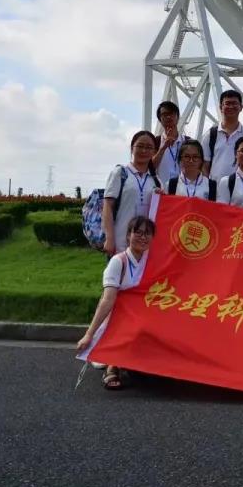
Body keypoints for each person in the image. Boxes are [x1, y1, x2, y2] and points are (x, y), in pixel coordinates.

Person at [76, 216, 156, 390]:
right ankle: (113, 365)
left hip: (142, 317)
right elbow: (107, 299)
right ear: (128, 235)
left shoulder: (151, 262)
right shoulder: (118, 262)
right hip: (119, 318)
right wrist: (89, 333)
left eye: (147, 234)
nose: (143, 237)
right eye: (138, 232)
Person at [102, 131, 160, 255]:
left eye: (149, 147)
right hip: (121, 241)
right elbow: (108, 206)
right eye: (140, 146)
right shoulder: (121, 173)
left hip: (146, 244)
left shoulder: (155, 180)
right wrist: (110, 238)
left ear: (154, 151)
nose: (144, 150)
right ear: (132, 148)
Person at [202, 89, 243, 183]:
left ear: (241, 107)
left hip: (241, 190)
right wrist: (207, 185)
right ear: (221, 107)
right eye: (227, 103)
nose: (231, 106)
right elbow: (205, 165)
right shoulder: (210, 135)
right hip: (215, 189)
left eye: (235, 103)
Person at [151, 100, 187, 185]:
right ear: (160, 119)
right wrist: (163, 148)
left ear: (177, 117)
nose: (168, 117)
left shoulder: (187, 142)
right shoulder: (155, 141)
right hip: (161, 191)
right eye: (164, 114)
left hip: (183, 192)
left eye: (171, 113)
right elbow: (150, 167)